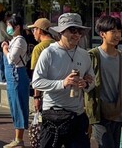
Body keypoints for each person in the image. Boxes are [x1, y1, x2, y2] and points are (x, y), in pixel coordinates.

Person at [32, 13, 94, 148]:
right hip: (54, 115)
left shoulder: (84, 55)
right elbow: (36, 82)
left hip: (77, 115)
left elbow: (92, 81)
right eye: (73, 30)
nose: (77, 34)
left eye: (80, 31)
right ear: (61, 31)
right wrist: (62, 83)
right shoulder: (49, 53)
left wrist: (86, 83)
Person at [85, 15, 122, 148]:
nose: (117, 35)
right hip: (100, 113)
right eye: (113, 32)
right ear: (102, 34)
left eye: (119, 31)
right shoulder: (92, 56)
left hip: (120, 112)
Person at [1, 15, 30, 148]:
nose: (8, 28)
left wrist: (5, 49)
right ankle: (17, 137)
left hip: (18, 76)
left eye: (10, 25)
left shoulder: (20, 41)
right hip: (11, 78)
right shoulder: (14, 40)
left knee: (19, 105)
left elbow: (12, 59)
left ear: (17, 27)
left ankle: (19, 139)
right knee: (13, 106)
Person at [28, 17, 54, 113]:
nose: (33, 32)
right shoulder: (58, 44)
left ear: (39, 30)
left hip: (44, 92)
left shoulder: (38, 48)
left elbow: (36, 74)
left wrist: (36, 96)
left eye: (34, 29)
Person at [0, 12, 11, 85]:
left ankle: (2, 78)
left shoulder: (3, 23)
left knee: (3, 61)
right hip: (3, 42)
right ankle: (2, 78)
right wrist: (12, 37)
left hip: (4, 41)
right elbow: (6, 33)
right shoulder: (2, 24)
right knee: (3, 61)